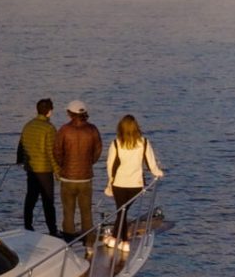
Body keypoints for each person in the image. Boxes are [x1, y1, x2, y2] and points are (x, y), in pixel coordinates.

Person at [104, 113, 164, 251]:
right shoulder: (144, 143)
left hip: (119, 183)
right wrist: (158, 173)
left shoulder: (116, 143)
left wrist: (110, 182)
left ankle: (115, 239)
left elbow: (110, 165)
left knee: (121, 211)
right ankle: (123, 241)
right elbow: (151, 164)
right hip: (136, 185)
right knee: (123, 211)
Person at [55, 99, 103, 242]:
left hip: (67, 178)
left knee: (68, 212)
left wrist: (63, 165)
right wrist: (88, 163)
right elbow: (98, 150)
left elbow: (57, 151)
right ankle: (89, 243)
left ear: (70, 113)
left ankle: (69, 242)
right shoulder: (92, 129)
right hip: (86, 178)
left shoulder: (64, 130)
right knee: (86, 212)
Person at [16, 97, 59, 237]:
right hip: (45, 170)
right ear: (49, 112)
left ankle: (28, 226)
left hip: (31, 169)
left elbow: (21, 145)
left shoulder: (28, 125)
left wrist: (20, 160)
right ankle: (53, 230)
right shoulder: (49, 128)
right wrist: (57, 171)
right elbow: (51, 152)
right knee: (48, 202)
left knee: (30, 199)